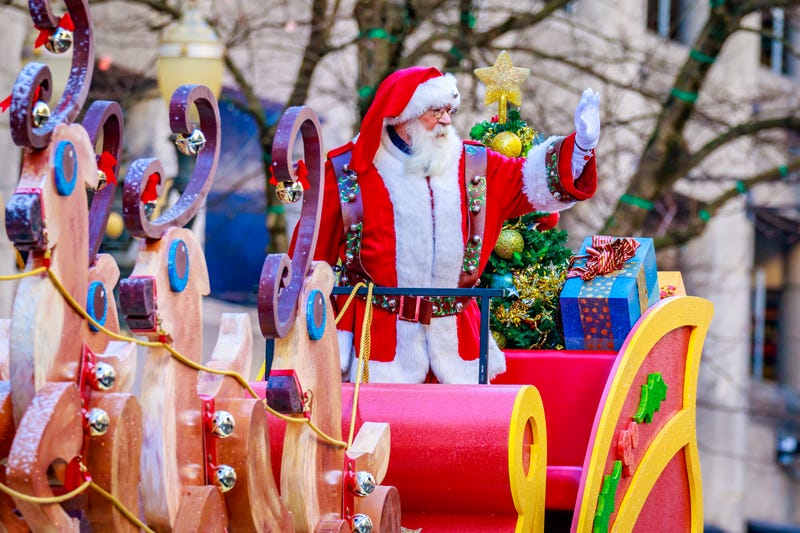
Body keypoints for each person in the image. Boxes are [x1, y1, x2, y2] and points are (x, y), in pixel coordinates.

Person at [307, 66, 600, 384]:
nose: (447, 120)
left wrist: (580, 149)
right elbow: (311, 260)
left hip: (459, 350)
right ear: (403, 115)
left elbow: (531, 179)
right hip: (376, 350)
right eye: (436, 111)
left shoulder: (475, 166)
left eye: (450, 110)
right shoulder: (348, 172)